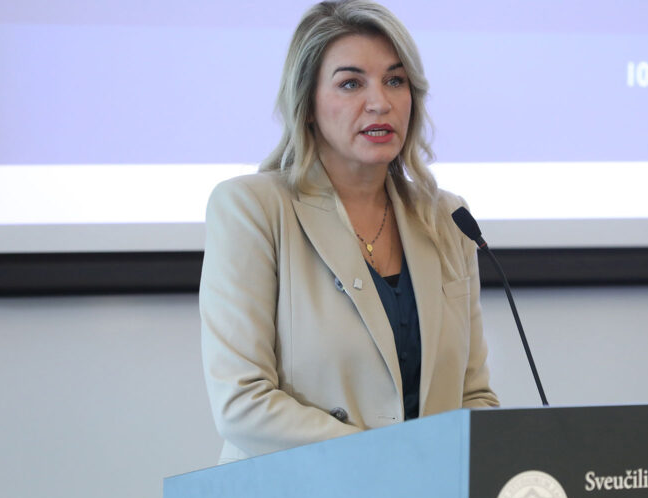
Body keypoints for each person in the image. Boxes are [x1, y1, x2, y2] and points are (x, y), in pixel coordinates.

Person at [200, 0, 499, 464]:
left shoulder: (447, 219)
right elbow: (242, 403)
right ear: (308, 105)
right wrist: (387, 460)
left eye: (395, 81)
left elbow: (474, 397)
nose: (380, 102)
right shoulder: (252, 209)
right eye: (351, 83)